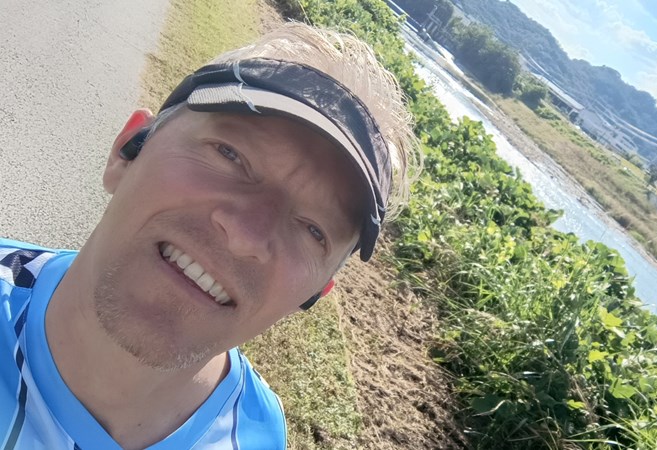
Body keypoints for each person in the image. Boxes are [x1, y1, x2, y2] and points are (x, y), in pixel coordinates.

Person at [0, 22, 418, 449]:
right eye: (230, 154)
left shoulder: (259, 438)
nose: (245, 236)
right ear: (128, 149)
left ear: (314, 293)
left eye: (314, 230)